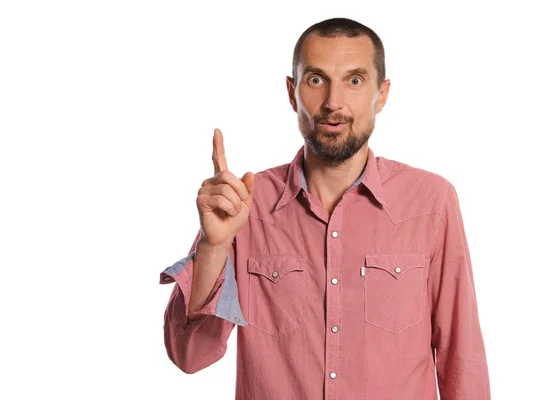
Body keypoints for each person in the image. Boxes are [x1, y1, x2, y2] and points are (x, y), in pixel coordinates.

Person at [159, 17, 491, 400]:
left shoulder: (431, 201)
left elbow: (460, 356)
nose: (334, 103)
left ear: (381, 95)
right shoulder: (244, 206)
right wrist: (214, 248)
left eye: (354, 80)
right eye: (316, 79)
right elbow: (189, 356)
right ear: (292, 92)